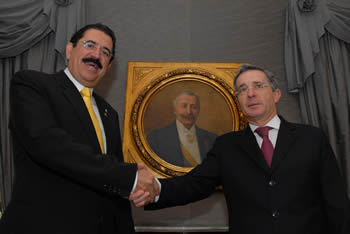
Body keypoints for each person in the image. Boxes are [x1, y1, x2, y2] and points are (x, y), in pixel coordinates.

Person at [132, 64, 350, 234]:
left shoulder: (311, 138)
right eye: (243, 89)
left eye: (258, 86)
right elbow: (194, 184)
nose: (251, 94)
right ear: (238, 101)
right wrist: (155, 189)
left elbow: (336, 203)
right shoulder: (227, 145)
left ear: (276, 94)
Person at [0, 23, 158, 234]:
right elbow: (48, 144)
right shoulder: (32, 84)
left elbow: (109, 175)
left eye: (105, 52)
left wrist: (130, 189)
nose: (96, 55)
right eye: (89, 45)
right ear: (69, 50)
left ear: (108, 66)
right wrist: (130, 177)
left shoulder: (109, 113)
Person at [147, 91, 217, 167]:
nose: (189, 112)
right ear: (175, 110)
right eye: (184, 106)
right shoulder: (156, 138)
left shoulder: (212, 139)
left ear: (199, 111)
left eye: (194, 107)